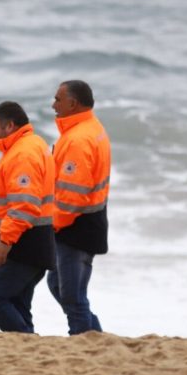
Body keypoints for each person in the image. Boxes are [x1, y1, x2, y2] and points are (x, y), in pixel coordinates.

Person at [0, 101, 55, 333]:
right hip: (34, 242)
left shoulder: (24, 153)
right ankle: (30, 355)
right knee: (18, 304)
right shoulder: (30, 145)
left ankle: (29, 341)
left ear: (10, 125)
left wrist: (5, 241)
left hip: (23, 244)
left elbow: (25, 205)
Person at [48, 80, 111, 335]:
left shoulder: (78, 139)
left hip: (76, 228)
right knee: (58, 285)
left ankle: (86, 345)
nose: (53, 105)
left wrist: (52, 224)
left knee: (73, 298)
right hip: (87, 222)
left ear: (72, 103)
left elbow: (73, 197)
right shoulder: (89, 128)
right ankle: (96, 337)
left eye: (58, 99)